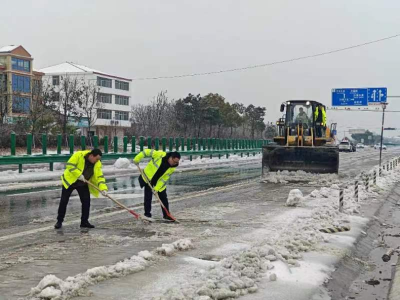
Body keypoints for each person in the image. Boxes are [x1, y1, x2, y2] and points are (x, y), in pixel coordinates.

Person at [55, 149, 107, 229]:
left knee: (86, 202)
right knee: (64, 201)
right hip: (70, 181)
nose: (97, 161)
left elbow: (99, 176)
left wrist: (103, 189)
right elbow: (70, 165)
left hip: (83, 183)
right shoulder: (79, 155)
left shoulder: (97, 163)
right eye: (96, 159)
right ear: (91, 155)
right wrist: (79, 174)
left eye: (99, 159)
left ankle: (84, 222)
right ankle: (59, 221)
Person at [133, 150, 181, 221]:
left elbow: (164, 179)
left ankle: (166, 215)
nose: (175, 163)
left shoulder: (172, 168)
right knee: (148, 197)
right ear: (170, 158)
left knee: (163, 197)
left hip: (158, 182)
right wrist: (137, 158)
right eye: (174, 161)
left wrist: (156, 189)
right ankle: (147, 214)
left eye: (177, 162)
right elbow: (146, 152)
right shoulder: (159, 154)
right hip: (148, 178)